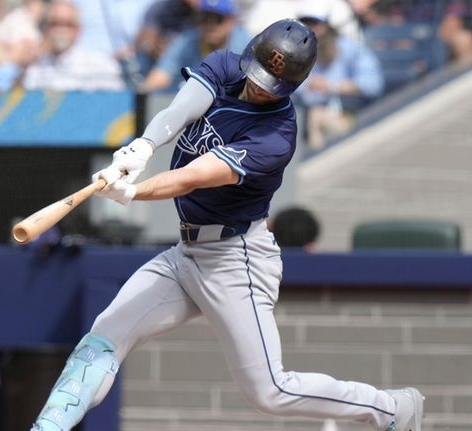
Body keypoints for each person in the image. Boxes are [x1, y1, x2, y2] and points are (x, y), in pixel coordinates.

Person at [30, 18, 423, 431]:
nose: (258, 86)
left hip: (237, 260)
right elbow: (181, 109)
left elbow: (193, 176)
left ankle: (391, 409)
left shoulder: (276, 135)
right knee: (102, 339)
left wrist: (133, 192)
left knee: (269, 390)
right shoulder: (224, 65)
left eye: (272, 83)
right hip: (186, 254)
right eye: (258, 74)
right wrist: (143, 145)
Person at [295, 7, 384, 150]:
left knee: (317, 116)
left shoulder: (351, 48)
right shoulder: (297, 51)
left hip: (350, 114)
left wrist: (331, 86)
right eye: (304, 24)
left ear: (327, 26)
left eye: (314, 24)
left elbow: (373, 84)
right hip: (305, 113)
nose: (310, 30)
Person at [140, 0, 251, 93]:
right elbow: (159, 77)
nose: (210, 24)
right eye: (204, 17)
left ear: (231, 21)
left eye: (218, 19)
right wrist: (139, 99)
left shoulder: (245, 45)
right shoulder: (185, 41)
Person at [23, 0, 125, 91]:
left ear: (78, 30)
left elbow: (114, 104)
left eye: (67, 24)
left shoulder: (101, 66)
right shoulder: (36, 68)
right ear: (46, 28)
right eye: (54, 23)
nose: (60, 30)